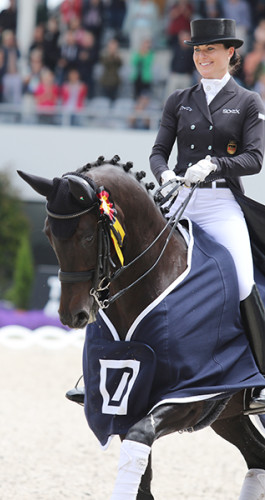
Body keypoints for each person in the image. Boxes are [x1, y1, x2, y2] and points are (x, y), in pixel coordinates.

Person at [149, 18, 265, 410]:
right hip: (181, 200)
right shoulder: (179, 98)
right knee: (137, 267)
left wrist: (215, 165)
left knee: (244, 280)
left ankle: (261, 375)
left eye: (210, 50)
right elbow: (158, 151)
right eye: (197, 50)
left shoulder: (248, 101)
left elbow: (254, 159)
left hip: (219, 204)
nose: (202, 57)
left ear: (230, 53)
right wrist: (165, 174)